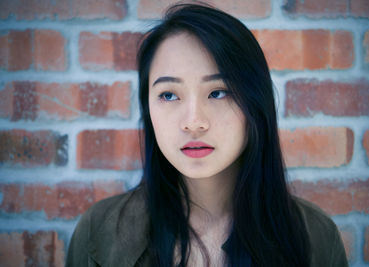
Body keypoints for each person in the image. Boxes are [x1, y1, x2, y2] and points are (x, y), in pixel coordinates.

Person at [66, 3, 348, 267]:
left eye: (218, 92)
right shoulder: (99, 230)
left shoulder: (316, 237)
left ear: (255, 104)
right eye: (168, 95)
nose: (194, 122)